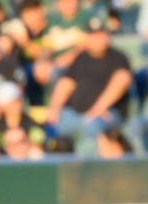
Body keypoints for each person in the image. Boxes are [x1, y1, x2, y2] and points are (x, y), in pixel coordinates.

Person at [44, 18, 132, 155]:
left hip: (106, 115)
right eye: (94, 35)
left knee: (93, 127)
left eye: (101, 34)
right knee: (56, 126)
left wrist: (97, 109)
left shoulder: (117, 57)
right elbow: (65, 83)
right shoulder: (81, 58)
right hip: (77, 114)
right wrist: (54, 109)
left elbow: (121, 81)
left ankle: (87, 172)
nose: (98, 39)